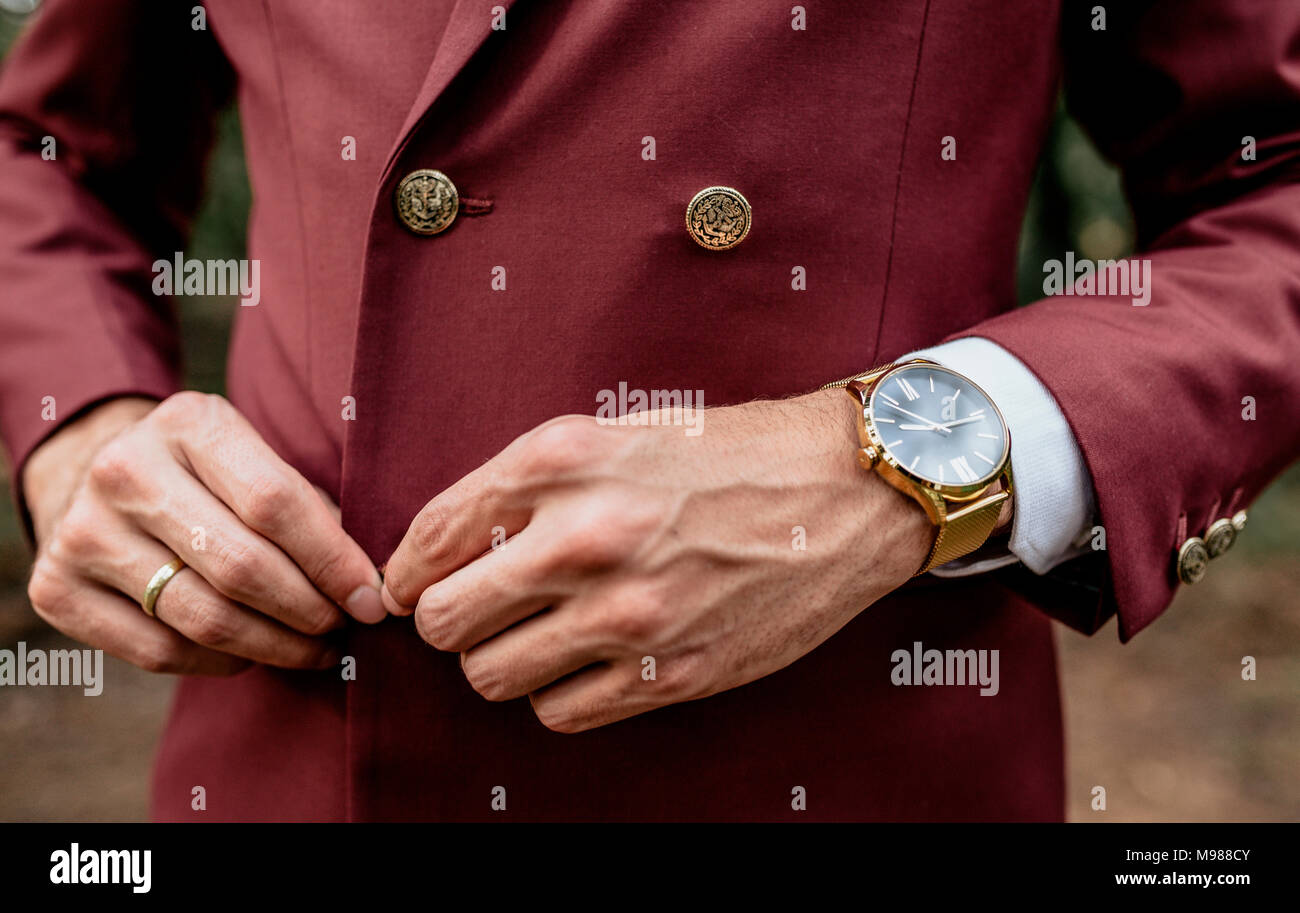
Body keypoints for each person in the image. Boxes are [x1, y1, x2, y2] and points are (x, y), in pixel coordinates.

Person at [1, 0, 1296, 821]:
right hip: (288, 764)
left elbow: (1273, 195)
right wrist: (82, 430)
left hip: (828, 768)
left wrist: (892, 465)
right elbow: (52, 155)